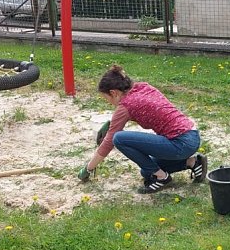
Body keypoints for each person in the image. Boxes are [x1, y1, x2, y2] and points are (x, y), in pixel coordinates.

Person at [78, 64, 207, 194]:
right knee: (147, 171)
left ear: (114, 93)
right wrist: (114, 124)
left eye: (107, 99)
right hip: (192, 135)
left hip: (180, 143)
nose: (109, 103)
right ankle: (193, 162)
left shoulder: (125, 106)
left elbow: (109, 142)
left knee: (119, 138)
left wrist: (88, 169)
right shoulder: (143, 87)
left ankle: (162, 178)